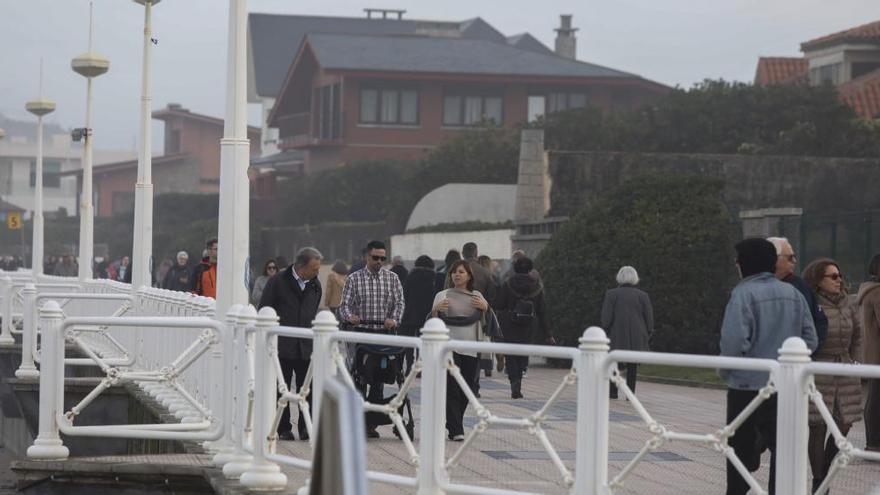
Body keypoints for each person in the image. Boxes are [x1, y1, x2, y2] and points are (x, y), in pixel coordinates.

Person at [720, 238, 817, 495]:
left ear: (743, 264)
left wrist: (725, 370)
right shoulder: (793, 293)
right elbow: (811, 339)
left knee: (738, 452)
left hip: (747, 386)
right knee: (783, 451)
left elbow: (733, 342)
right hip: (785, 387)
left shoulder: (743, 293)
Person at [802, 258, 863, 491]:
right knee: (817, 425)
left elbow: (858, 335)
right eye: (833, 276)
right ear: (819, 281)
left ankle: (825, 469)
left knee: (845, 422)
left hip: (845, 367)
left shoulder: (849, 303)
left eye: (840, 276)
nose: (839, 280)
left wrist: (856, 360)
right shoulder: (812, 302)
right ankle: (820, 481)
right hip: (820, 368)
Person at [338, 240, 405, 438]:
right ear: (367, 257)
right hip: (361, 334)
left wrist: (394, 319)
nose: (379, 261)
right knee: (359, 377)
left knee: (379, 377)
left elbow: (399, 303)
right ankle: (358, 420)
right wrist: (350, 317)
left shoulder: (392, 278)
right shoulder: (354, 279)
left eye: (382, 258)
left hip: (383, 334)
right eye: (375, 258)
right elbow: (344, 306)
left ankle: (371, 423)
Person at [259, 247, 323, 441]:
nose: (317, 272)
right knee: (282, 388)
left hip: (306, 346)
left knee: (308, 388)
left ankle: (306, 427)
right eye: (314, 268)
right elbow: (264, 309)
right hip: (282, 345)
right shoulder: (277, 282)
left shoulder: (315, 284)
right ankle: (283, 427)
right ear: (301, 266)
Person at [431, 260, 489, 441]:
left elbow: (487, 319)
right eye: (454, 272)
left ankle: (454, 421)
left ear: (469, 275)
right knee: (452, 389)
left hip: (471, 348)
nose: (457, 275)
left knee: (467, 389)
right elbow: (432, 322)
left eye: (461, 272)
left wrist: (485, 308)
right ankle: (456, 429)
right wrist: (435, 310)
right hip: (449, 348)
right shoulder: (442, 295)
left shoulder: (477, 296)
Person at [495, 256, 554, 399]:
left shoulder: (508, 284)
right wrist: (548, 334)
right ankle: (519, 381)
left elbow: (499, 304)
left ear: (515, 268)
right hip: (528, 326)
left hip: (509, 325)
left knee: (511, 355)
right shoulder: (537, 287)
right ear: (530, 269)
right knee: (522, 354)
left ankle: (514, 382)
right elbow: (542, 312)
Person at [601, 266, 653, 399]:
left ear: (619, 277)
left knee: (614, 362)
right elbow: (649, 318)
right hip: (637, 334)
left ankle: (613, 392)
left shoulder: (611, 294)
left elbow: (606, 319)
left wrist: (606, 331)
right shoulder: (643, 296)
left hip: (616, 334)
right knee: (632, 365)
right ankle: (630, 395)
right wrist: (648, 333)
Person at [767, 237, 828, 352]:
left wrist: (805, 351)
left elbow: (819, 321)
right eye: (790, 257)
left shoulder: (800, 286)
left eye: (794, 257)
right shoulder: (753, 290)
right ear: (774, 259)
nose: (794, 261)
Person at [399, 255, 436, 373]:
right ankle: (420, 366)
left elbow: (404, 295)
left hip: (410, 315)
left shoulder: (410, 277)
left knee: (410, 342)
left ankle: (409, 366)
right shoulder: (433, 277)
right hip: (426, 315)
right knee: (423, 342)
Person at [858, 254, 880, 453]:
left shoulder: (867, 291)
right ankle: (874, 443)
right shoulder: (878, 293)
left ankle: (873, 442)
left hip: (872, 354)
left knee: (874, 397)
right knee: (876, 399)